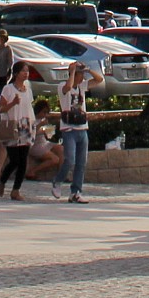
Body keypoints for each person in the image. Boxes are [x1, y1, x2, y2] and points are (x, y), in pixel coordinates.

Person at [54, 60, 97, 202]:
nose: (82, 78)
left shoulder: (82, 87)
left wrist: (88, 70)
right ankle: (58, 181)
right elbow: (68, 86)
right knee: (70, 159)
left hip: (82, 128)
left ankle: (76, 192)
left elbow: (99, 80)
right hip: (69, 128)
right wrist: (72, 71)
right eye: (80, 75)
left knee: (81, 162)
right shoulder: (62, 86)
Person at [0, 60, 35, 199]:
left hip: (26, 125)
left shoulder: (28, 88)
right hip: (12, 125)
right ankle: (3, 180)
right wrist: (13, 103)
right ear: (16, 73)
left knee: (23, 160)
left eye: (27, 71)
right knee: (14, 159)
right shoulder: (8, 89)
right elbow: (1, 108)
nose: (26, 73)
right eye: (23, 71)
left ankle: (16, 189)